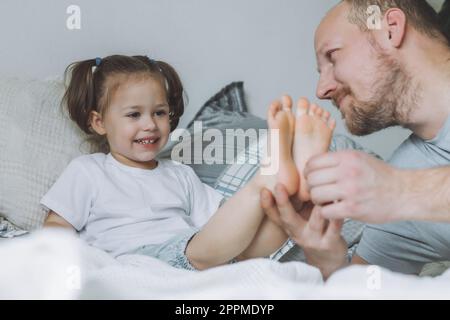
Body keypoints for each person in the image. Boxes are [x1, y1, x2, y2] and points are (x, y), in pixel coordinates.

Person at [42, 54, 336, 271]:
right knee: (197, 252)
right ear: (99, 122)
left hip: (194, 258)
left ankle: (292, 198)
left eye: (159, 113)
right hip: (136, 265)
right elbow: (57, 223)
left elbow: (222, 226)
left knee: (246, 251)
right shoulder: (89, 170)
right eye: (134, 115)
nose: (150, 125)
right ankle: (268, 176)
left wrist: (267, 216)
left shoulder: (179, 174)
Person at [261, 0, 450, 278]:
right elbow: (366, 289)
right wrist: (327, 258)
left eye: (333, 56)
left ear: (391, 29)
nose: (321, 90)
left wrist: (401, 190)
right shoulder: (400, 178)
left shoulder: (395, 186)